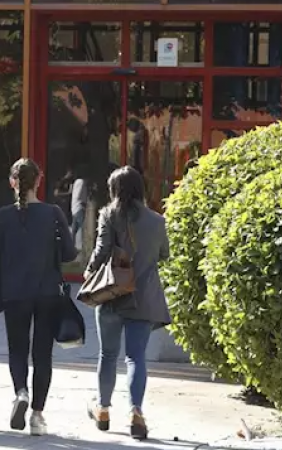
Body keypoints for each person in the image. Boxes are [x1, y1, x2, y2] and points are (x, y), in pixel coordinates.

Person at [84, 166, 171, 441]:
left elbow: (101, 252)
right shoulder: (157, 221)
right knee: (136, 357)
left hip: (111, 295)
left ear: (114, 190)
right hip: (143, 298)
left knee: (108, 355)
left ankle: (103, 410)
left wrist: (89, 273)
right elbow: (164, 255)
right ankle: (136, 411)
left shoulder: (109, 215)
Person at [0, 158, 75, 436]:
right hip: (47, 291)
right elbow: (69, 254)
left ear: (12, 182)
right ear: (39, 181)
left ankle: (20, 392)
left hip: (14, 292)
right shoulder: (53, 213)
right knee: (42, 354)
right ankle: (38, 415)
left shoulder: (3, 216)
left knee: (17, 349)